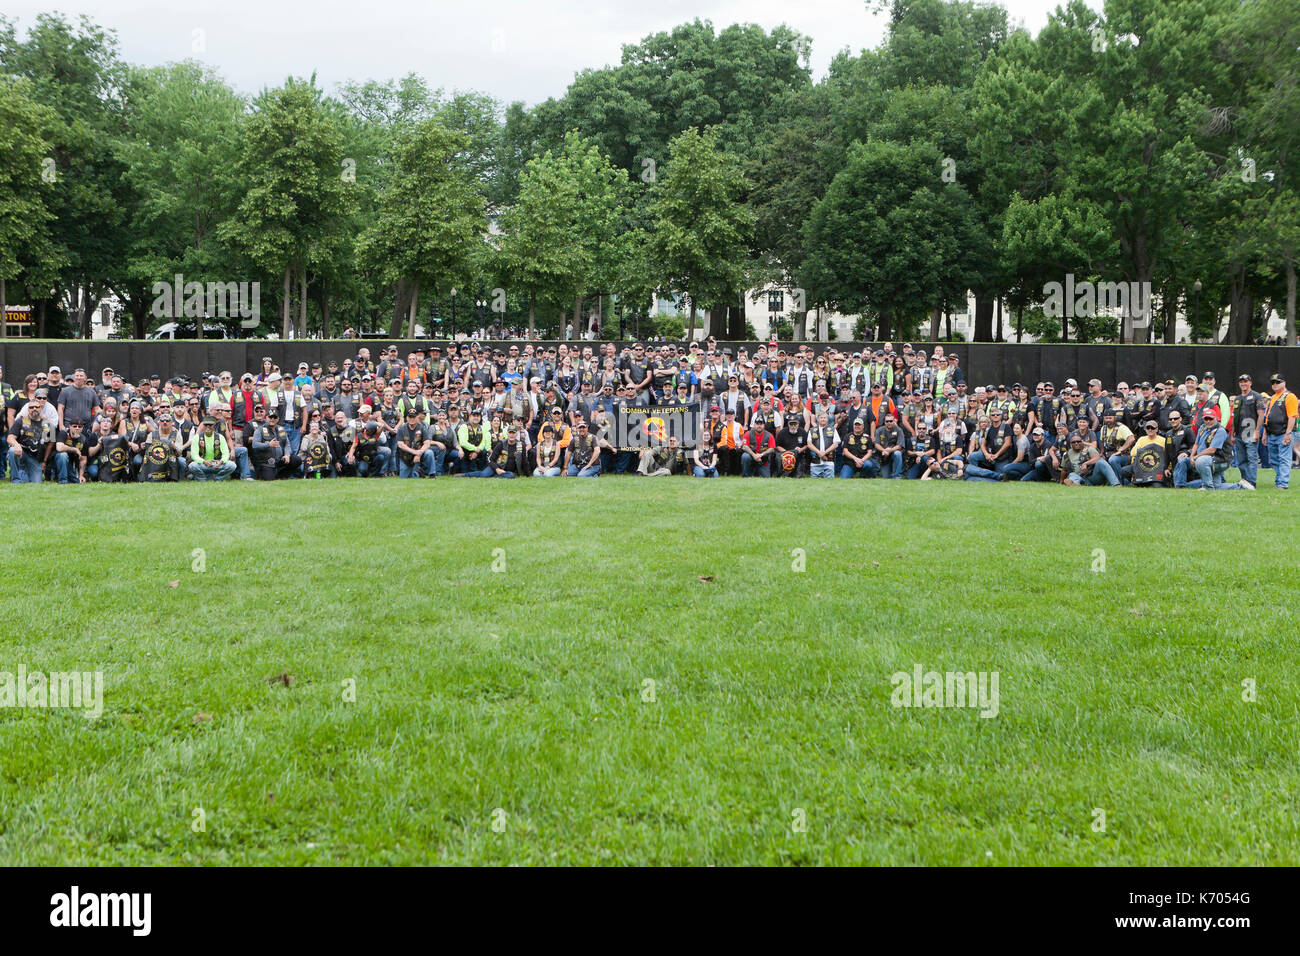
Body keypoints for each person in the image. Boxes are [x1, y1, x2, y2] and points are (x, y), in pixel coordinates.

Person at [7, 390, 54, 483]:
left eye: (37, 407)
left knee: (36, 482)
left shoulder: (48, 423)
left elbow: (50, 443)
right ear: (28, 409)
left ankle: (23, 472)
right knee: (12, 451)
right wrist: (16, 445)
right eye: (31, 407)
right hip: (21, 453)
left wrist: (44, 461)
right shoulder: (21, 420)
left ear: (41, 408)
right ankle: (15, 479)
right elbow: (10, 437)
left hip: (35, 458)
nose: (34, 409)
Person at [1262, 373, 1296, 490]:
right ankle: (1279, 481)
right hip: (1271, 433)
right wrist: (1265, 434)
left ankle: (1283, 483)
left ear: (1284, 383)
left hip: (1282, 433)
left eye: (1278, 382)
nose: (1275, 384)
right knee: (1275, 460)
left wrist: (1288, 433)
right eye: (1273, 383)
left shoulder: (1289, 396)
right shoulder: (1272, 397)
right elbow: (1267, 417)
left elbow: (1292, 416)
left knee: (1284, 459)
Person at [188, 416, 236, 481]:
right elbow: (194, 455)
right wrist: (204, 461)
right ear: (203, 426)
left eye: (210, 425)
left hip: (216, 464)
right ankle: (203, 479)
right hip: (203, 464)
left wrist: (221, 462)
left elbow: (226, 454)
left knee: (232, 465)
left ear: (214, 426)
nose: (208, 427)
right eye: (205, 425)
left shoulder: (220, 437)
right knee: (192, 466)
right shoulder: (197, 437)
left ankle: (218, 479)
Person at [396, 408, 435, 478]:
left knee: (429, 453)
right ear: (407, 418)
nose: (412, 419)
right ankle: (419, 472)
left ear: (417, 417)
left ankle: (432, 474)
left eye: (413, 417)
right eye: (410, 417)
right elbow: (400, 444)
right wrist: (414, 452)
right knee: (404, 477)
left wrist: (419, 453)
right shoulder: (401, 429)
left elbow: (427, 443)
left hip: (419, 453)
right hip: (406, 456)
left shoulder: (422, 428)